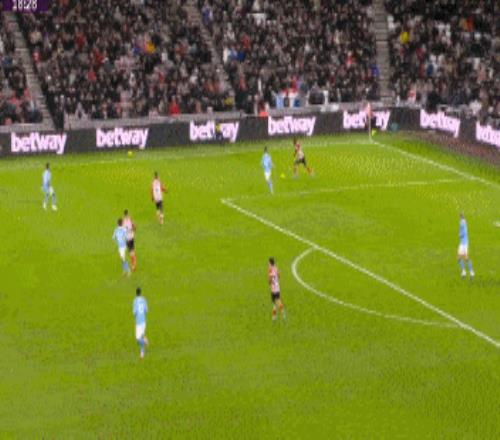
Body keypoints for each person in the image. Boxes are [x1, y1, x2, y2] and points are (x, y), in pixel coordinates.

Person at [133, 287, 149, 359]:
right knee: (142, 336)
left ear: (136, 293)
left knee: (138, 339)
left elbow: (134, 312)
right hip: (144, 321)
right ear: (141, 292)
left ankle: (145, 341)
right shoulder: (144, 299)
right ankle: (142, 353)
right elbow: (146, 310)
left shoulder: (135, 301)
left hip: (138, 322)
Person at [458, 213, 474, 278]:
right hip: (463, 243)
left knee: (465, 258)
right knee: (459, 258)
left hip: (464, 244)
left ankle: (471, 272)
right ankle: (464, 272)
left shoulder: (462, 223)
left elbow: (464, 232)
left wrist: (460, 235)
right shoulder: (463, 222)